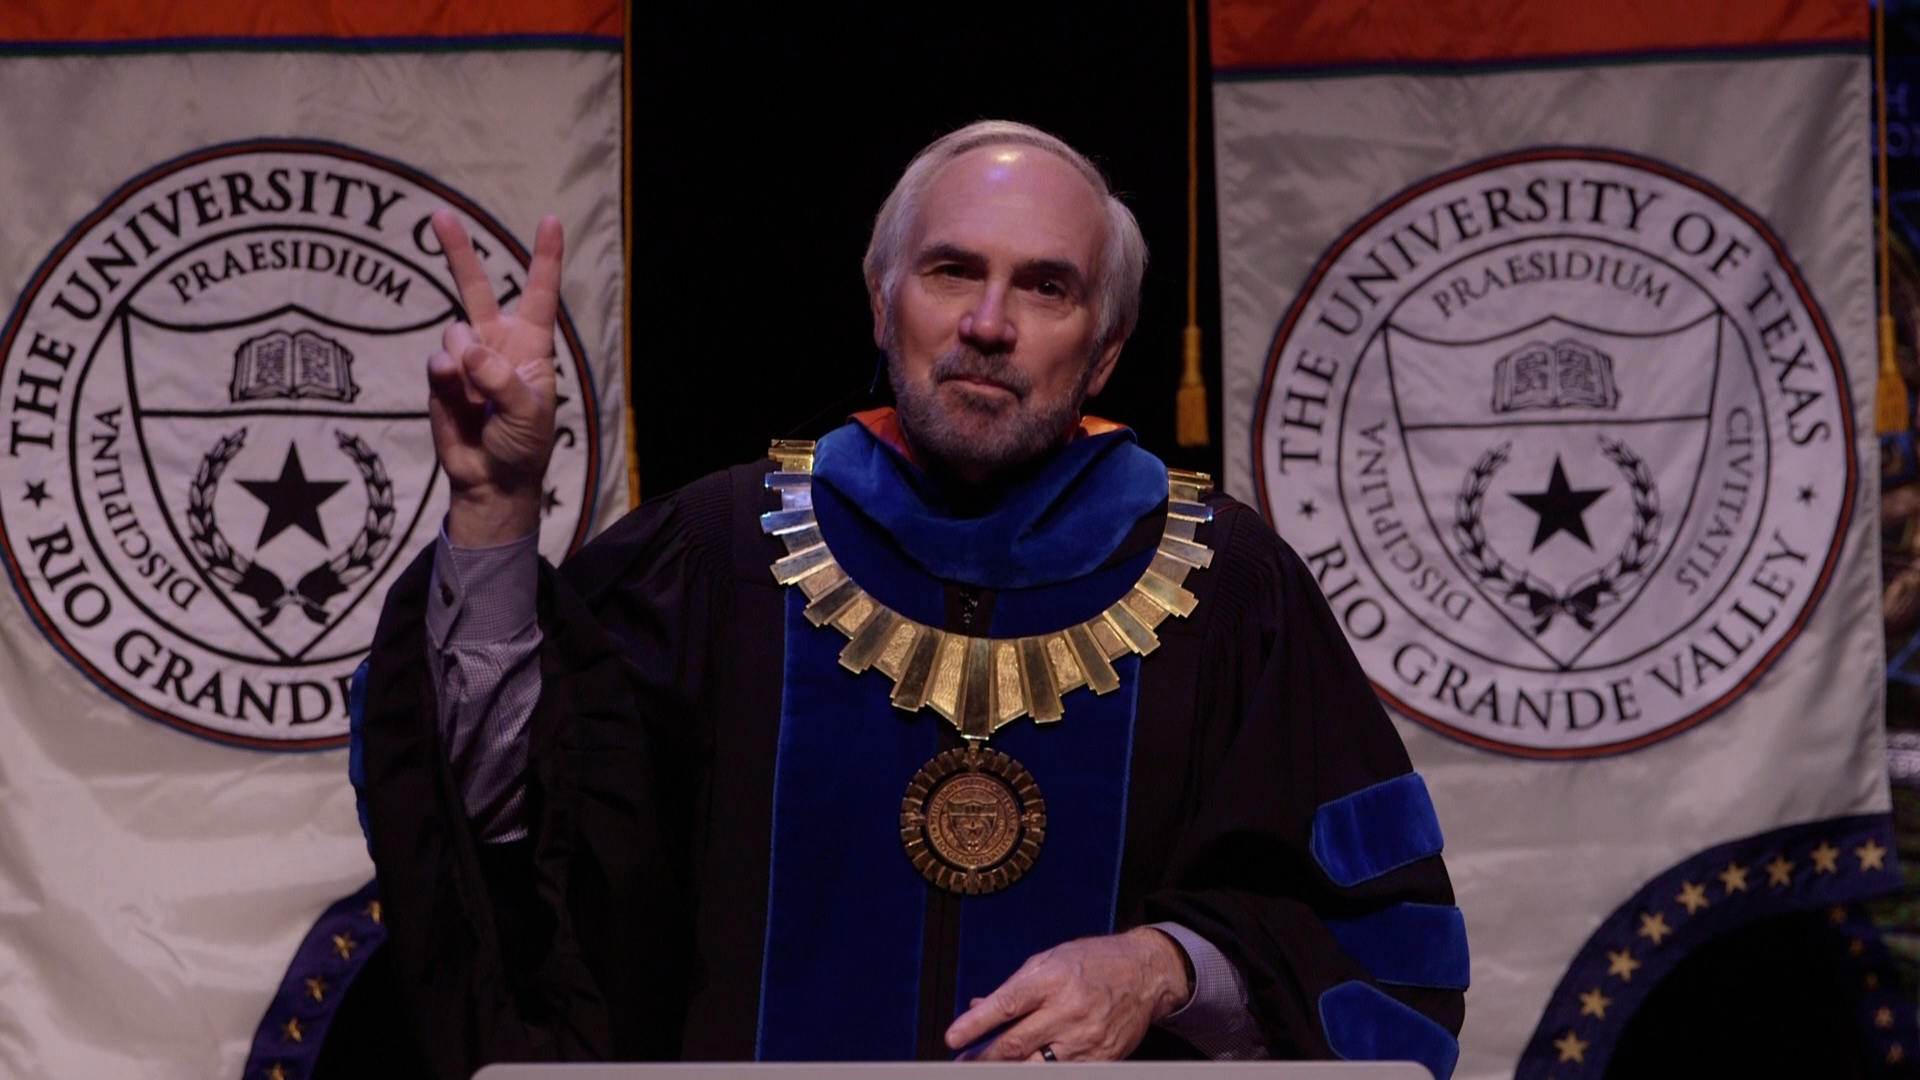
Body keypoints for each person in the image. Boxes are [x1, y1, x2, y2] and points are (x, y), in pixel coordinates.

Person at [357, 120, 1467, 1078]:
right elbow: (501, 841)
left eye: (1047, 285)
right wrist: (498, 506)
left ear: (1108, 348)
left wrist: (1168, 965)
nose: (990, 321)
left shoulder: (1230, 593)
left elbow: (1380, 942)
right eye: (950, 271)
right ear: (881, 304)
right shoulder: (716, 561)